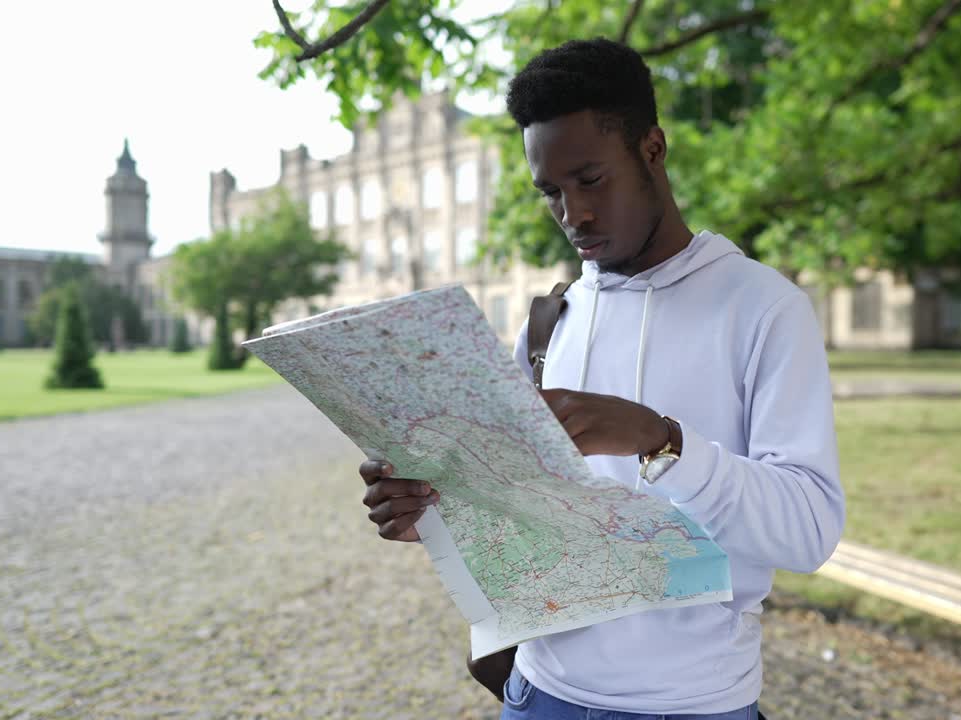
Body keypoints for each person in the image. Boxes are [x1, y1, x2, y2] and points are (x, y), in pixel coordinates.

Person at [359, 38, 844, 720]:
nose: (573, 214)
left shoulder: (764, 309)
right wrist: (430, 512)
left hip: (695, 705)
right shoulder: (547, 323)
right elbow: (516, 513)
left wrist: (661, 440)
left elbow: (809, 532)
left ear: (652, 150)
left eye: (591, 180)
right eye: (550, 192)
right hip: (536, 695)